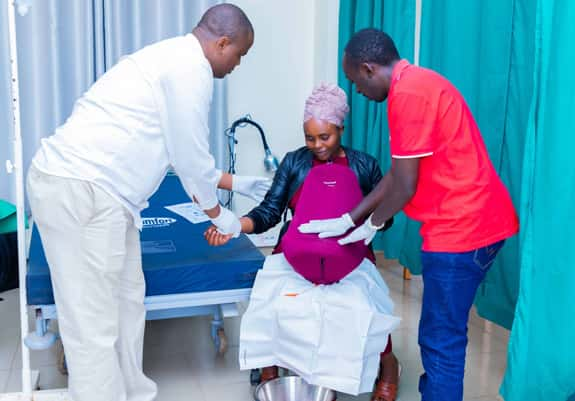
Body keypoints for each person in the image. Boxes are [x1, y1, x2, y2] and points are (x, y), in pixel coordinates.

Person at [26, 4, 268, 401]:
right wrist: (220, 214)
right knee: (93, 325)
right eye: (239, 54)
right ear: (222, 42)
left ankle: (132, 392)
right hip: (81, 190)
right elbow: (190, 161)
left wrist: (236, 181)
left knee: (127, 302)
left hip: (105, 196)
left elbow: (178, 151)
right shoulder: (191, 70)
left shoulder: (170, 58)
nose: (237, 64)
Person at [299, 29, 519, 401]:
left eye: (355, 82)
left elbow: (404, 187)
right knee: (439, 330)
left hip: (463, 227)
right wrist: (349, 218)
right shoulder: (417, 82)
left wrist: (371, 225)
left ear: (368, 69)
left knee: (440, 338)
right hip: (478, 219)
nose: (358, 92)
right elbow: (397, 175)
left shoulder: (409, 95)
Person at [205, 83, 401, 401]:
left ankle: (388, 365)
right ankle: (271, 367)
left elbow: (386, 215)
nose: (317, 145)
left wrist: (370, 222)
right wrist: (235, 226)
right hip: (296, 251)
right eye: (310, 138)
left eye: (325, 137)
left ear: (341, 128)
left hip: (349, 252)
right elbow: (270, 211)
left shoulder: (364, 165)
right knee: (271, 297)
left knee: (363, 304)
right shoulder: (295, 163)